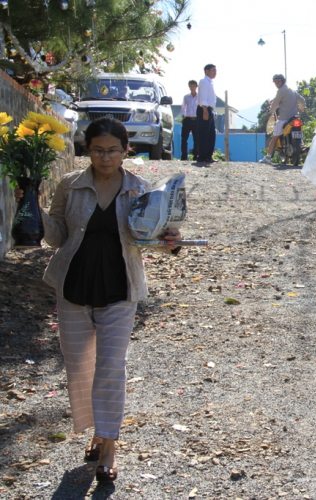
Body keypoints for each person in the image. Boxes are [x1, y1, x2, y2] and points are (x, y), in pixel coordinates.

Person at [14, 117, 181, 482]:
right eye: (97, 150)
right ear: (86, 150)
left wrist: (171, 240)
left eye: (113, 151)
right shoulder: (70, 186)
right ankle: (97, 429)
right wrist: (33, 209)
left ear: (126, 151)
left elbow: (152, 235)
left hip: (120, 288)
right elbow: (57, 237)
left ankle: (109, 445)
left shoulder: (140, 188)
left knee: (111, 366)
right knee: (81, 367)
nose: (105, 158)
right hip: (73, 286)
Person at [259, 74, 305, 164]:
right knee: (299, 132)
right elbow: (302, 101)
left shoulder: (281, 91)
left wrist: (271, 111)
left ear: (282, 81)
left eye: (278, 81)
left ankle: (268, 158)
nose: (276, 83)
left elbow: (275, 103)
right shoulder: (292, 91)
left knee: (275, 137)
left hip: (284, 119)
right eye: (275, 82)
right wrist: (301, 108)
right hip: (295, 117)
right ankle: (301, 144)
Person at [195, 64, 217, 163]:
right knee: (204, 134)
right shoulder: (204, 82)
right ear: (207, 71)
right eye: (213, 70)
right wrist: (205, 110)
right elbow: (203, 98)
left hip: (210, 110)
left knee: (211, 133)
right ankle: (202, 156)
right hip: (204, 109)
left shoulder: (210, 82)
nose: (215, 72)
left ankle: (209, 155)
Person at [180, 80, 199, 161]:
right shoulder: (186, 97)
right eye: (191, 86)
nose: (192, 88)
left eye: (194, 86)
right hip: (187, 119)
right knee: (184, 138)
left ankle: (196, 156)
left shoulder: (199, 97)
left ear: (196, 87)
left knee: (197, 139)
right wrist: (184, 115)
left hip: (196, 119)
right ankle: (184, 156)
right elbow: (183, 106)